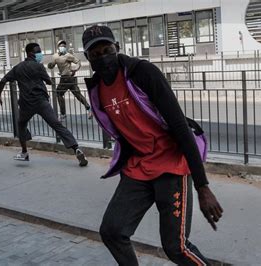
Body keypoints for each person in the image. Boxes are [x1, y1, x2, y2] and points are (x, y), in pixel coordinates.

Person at [82, 25, 223, 265]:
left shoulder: (142, 72)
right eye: (95, 54)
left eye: (108, 50)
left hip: (171, 167)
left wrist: (202, 186)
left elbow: (179, 126)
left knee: (176, 248)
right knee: (112, 231)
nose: (103, 57)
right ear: (87, 58)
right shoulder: (97, 88)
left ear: (117, 48)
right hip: (138, 168)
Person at [0, 43, 88, 166]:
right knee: (57, 125)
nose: (40, 54)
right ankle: (76, 148)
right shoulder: (38, 67)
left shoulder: (18, 68)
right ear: (31, 53)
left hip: (26, 104)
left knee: (21, 124)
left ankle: (24, 152)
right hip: (42, 102)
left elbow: (3, 81)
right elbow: (49, 82)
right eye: (38, 51)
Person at [48, 40, 92, 120]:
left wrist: (75, 69)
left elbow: (78, 62)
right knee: (77, 95)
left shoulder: (68, 55)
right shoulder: (55, 56)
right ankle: (89, 108)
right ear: (58, 47)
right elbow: (51, 66)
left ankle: (63, 114)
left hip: (66, 78)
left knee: (59, 93)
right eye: (61, 46)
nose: (63, 47)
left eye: (64, 46)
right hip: (68, 78)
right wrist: (50, 65)